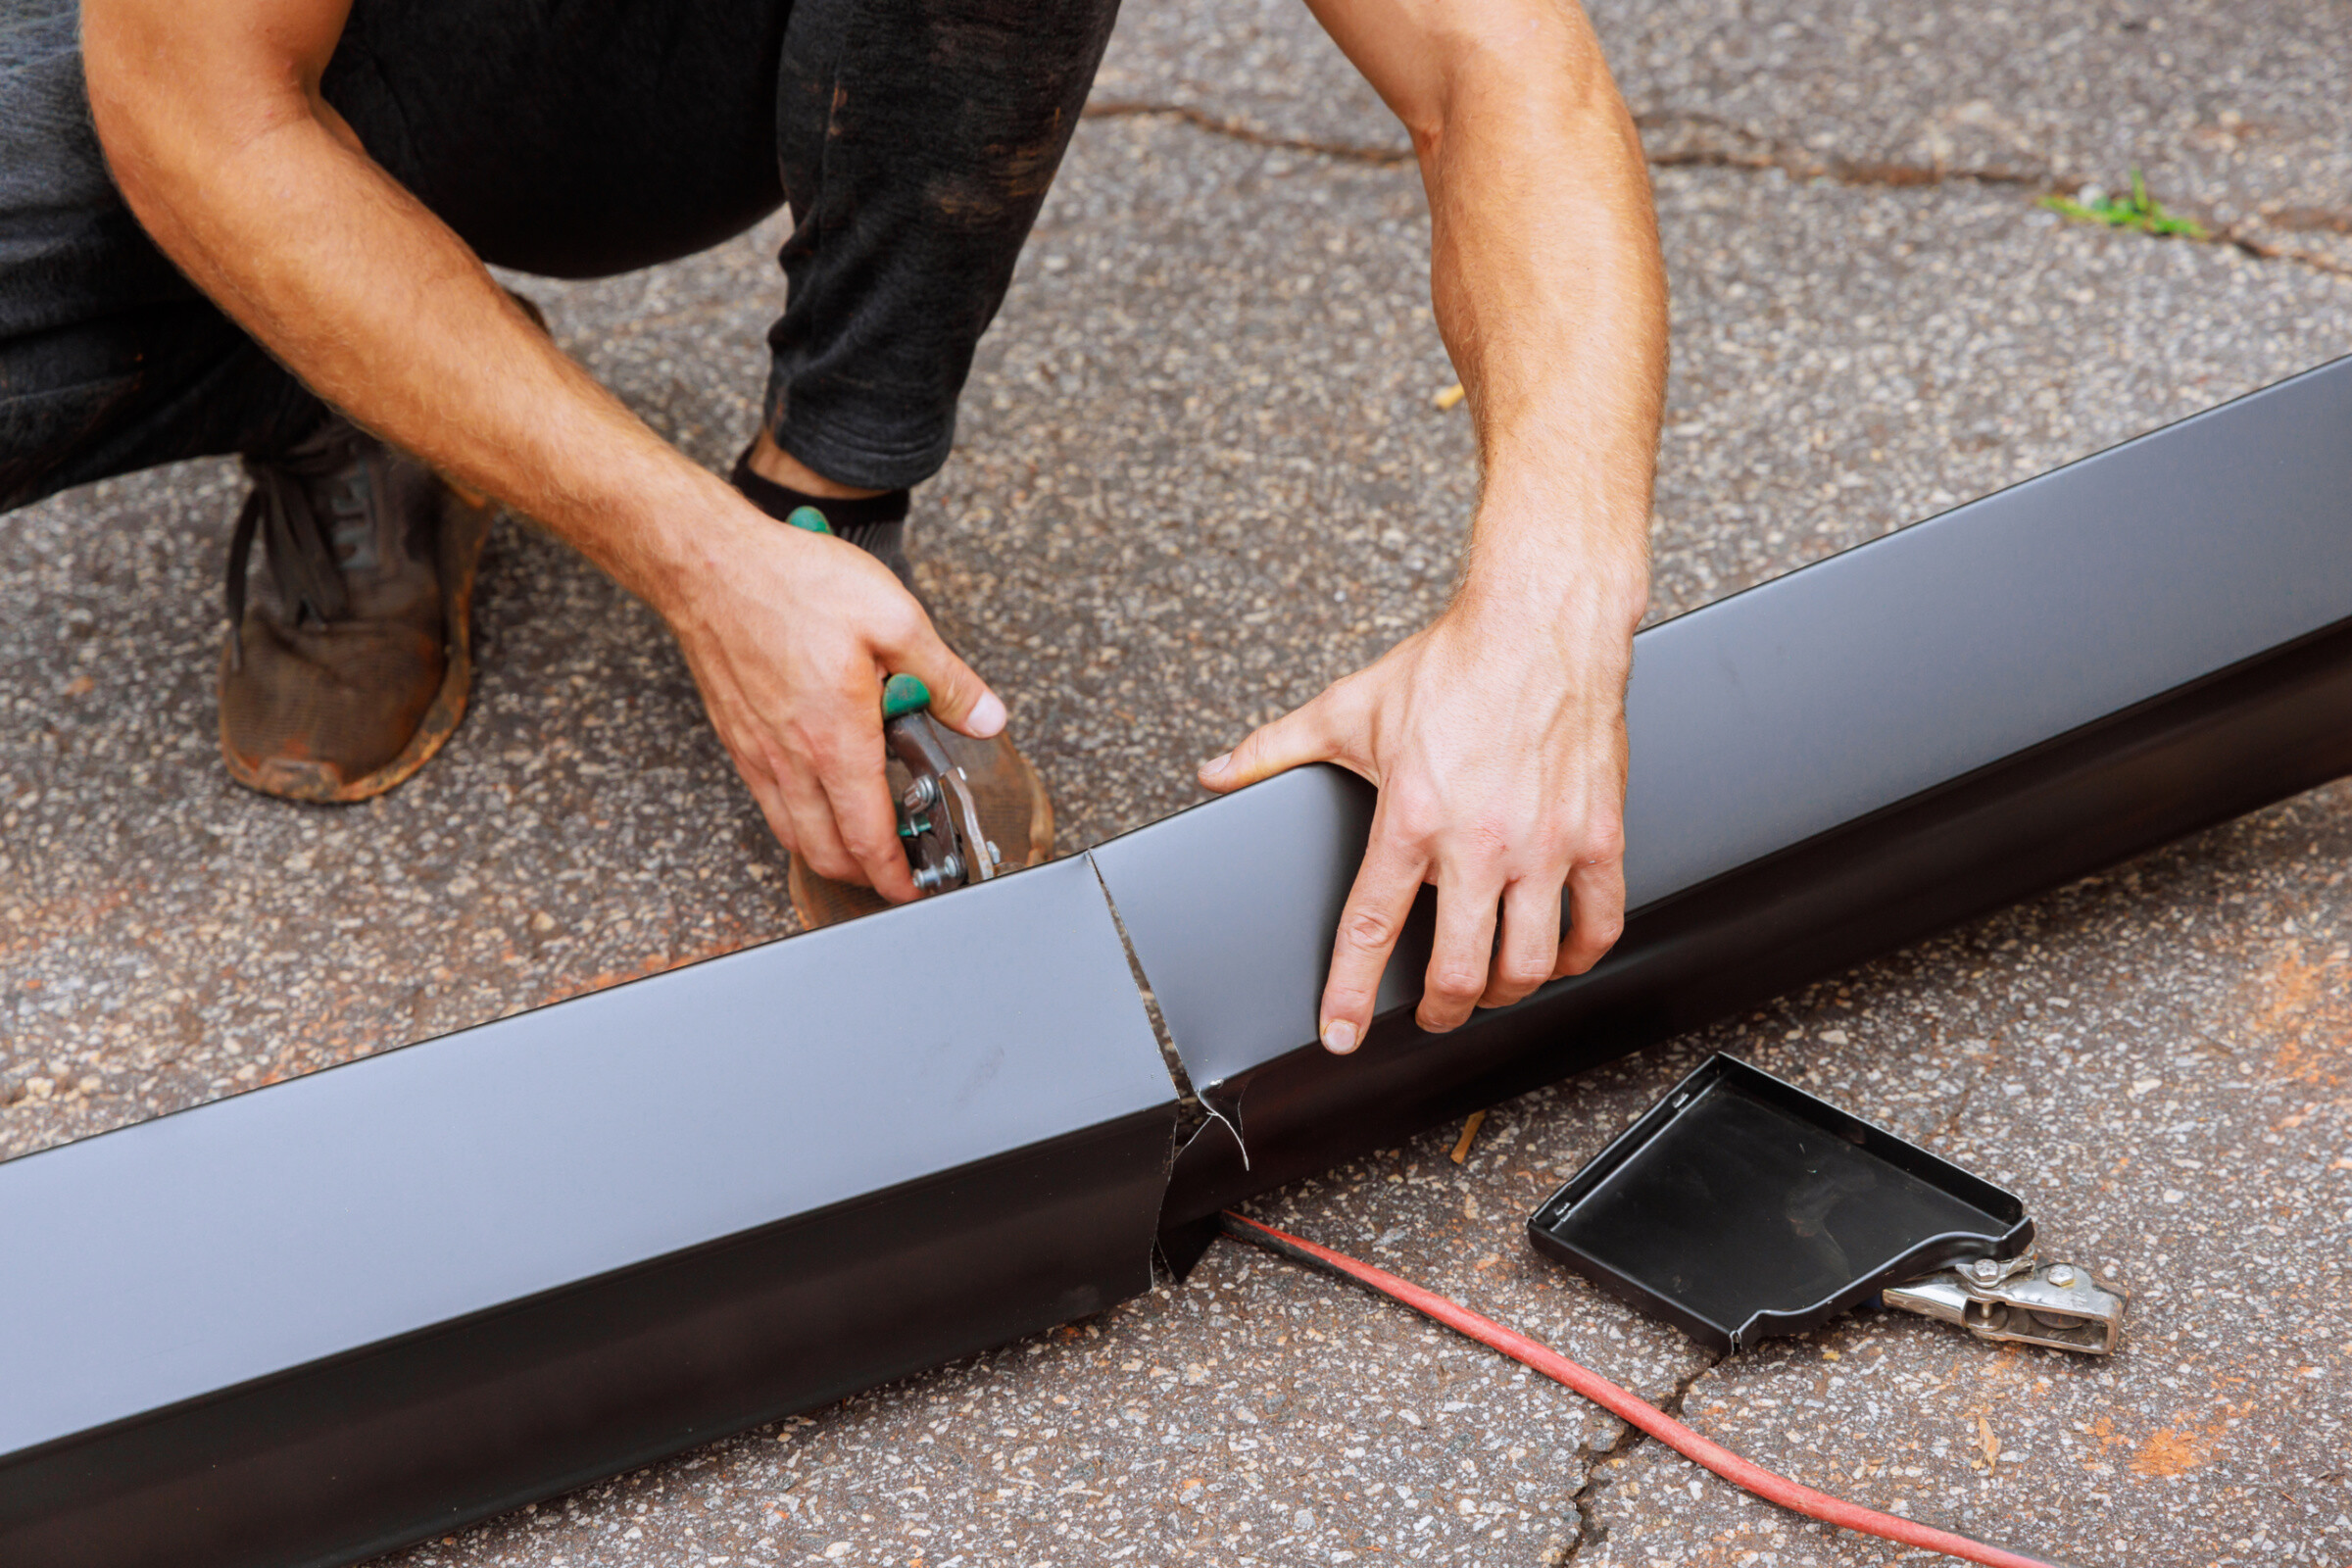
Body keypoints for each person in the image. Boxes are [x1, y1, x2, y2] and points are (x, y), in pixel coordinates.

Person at [2, 0, 1664, 1054]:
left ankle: (828, 505)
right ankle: (340, 387)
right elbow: (201, 115)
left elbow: (1501, 59)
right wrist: (689, 565)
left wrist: (1544, 627)